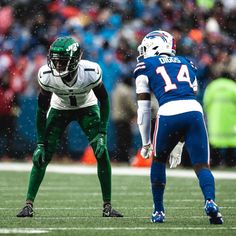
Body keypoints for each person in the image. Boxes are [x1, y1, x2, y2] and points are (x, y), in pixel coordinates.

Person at [17, 36, 123, 218]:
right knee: (41, 157)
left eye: (62, 62)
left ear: (75, 60)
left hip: (87, 108)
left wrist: (102, 134)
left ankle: (107, 206)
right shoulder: (46, 75)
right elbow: (41, 110)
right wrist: (40, 143)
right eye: (55, 61)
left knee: (101, 152)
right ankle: (28, 204)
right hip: (59, 109)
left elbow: (104, 100)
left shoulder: (90, 71)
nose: (57, 66)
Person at [133, 30, 223, 224]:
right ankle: (210, 201)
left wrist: (146, 142)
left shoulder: (145, 65)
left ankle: (159, 211)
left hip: (168, 112)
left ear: (156, 46)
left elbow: (144, 109)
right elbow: (189, 94)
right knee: (201, 165)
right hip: (194, 111)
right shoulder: (187, 62)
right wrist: (180, 142)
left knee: (158, 161)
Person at [203, 74, 236, 166]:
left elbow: (206, 103)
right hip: (230, 122)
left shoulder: (212, 86)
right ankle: (230, 162)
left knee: (214, 143)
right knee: (231, 143)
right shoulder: (233, 86)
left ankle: (214, 162)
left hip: (215, 121)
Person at [111, 74, 137, 162]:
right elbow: (130, 106)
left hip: (116, 117)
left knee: (119, 139)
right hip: (124, 118)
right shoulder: (126, 91)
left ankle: (119, 157)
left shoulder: (116, 90)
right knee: (126, 140)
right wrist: (136, 113)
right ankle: (124, 158)